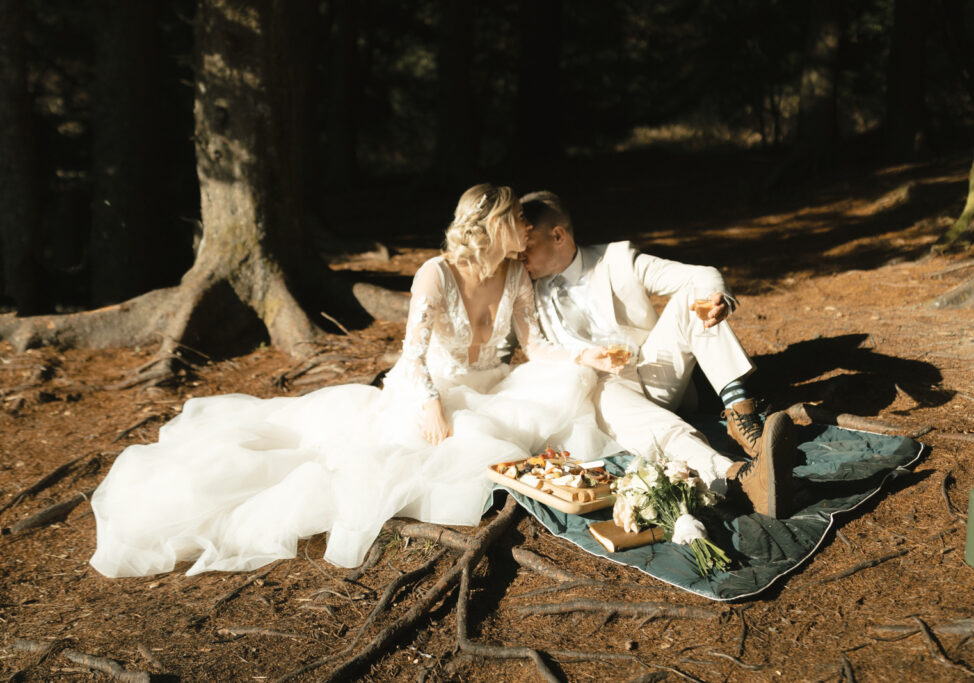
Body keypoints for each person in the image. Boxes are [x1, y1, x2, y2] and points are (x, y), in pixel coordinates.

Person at [90, 184, 625, 578]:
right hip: (429, 389)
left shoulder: (513, 273)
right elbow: (411, 358)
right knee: (409, 452)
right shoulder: (435, 275)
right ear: (494, 226)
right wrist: (430, 403)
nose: (526, 231)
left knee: (565, 384)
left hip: (493, 385)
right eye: (517, 221)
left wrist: (589, 355)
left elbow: (534, 347)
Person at [519, 190, 796, 518]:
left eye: (527, 245)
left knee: (694, 299)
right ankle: (738, 478)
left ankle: (742, 419)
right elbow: (534, 348)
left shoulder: (616, 260)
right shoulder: (523, 287)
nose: (518, 254)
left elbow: (700, 275)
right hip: (600, 391)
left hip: (654, 369)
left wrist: (717, 301)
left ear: (558, 235)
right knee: (642, 417)